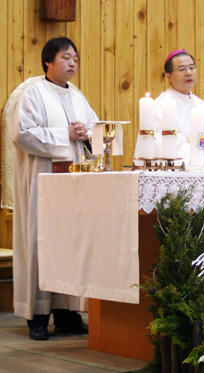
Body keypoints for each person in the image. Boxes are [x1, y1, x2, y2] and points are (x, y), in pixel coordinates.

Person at [12, 37, 94, 340]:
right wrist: (66, 134)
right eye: (65, 57)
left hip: (72, 184)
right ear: (48, 61)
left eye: (75, 58)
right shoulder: (32, 93)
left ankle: (66, 313)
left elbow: (93, 133)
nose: (72, 63)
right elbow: (22, 134)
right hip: (42, 182)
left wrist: (87, 136)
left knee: (70, 245)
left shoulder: (78, 96)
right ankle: (37, 316)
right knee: (40, 244)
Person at [134, 50, 204, 169]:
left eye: (191, 67)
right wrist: (198, 147)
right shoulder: (158, 108)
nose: (188, 73)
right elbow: (160, 146)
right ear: (169, 76)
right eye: (182, 69)